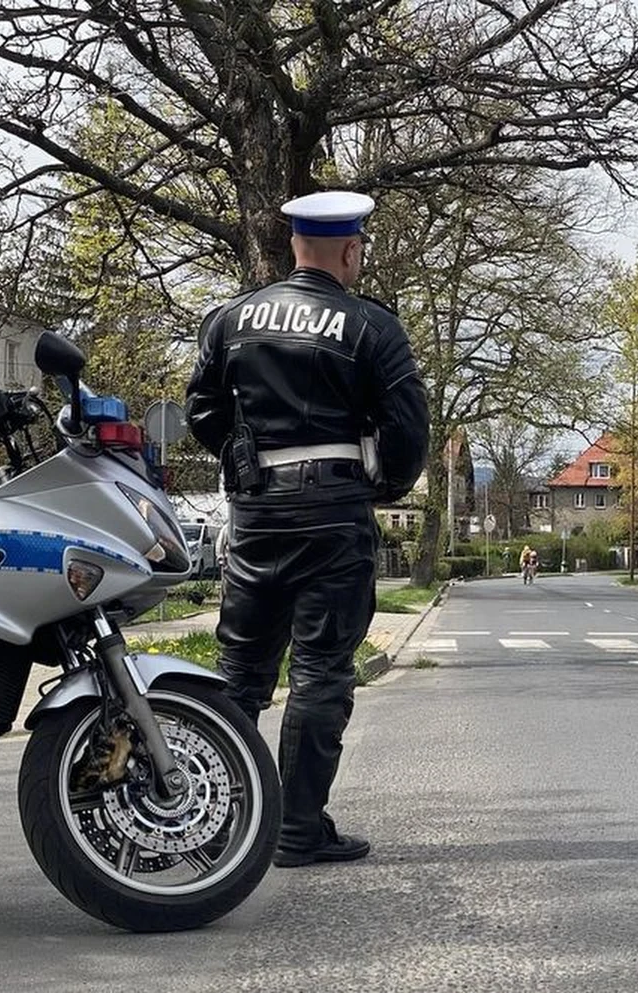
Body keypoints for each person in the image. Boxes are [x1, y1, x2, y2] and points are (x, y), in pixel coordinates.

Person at [185, 190, 429, 868]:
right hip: (333, 512)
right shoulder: (371, 327)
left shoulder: (230, 319)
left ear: (294, 247)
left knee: (241, 672)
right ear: (350, 251)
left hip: (258, 512)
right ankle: (296, 828)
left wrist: (245, 463)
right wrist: (385, 485)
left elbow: (202, 408)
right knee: (322, 669)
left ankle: (216, 823)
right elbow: (408, 430)